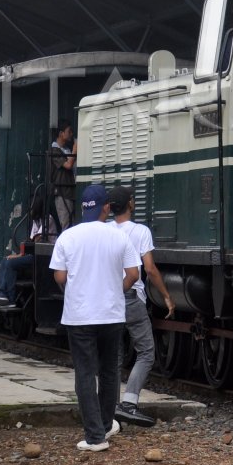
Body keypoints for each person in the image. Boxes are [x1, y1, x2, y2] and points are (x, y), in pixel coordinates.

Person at [50, 184, 141, 451]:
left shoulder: (68, 236)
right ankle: (105, 424)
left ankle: (95, 437)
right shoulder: (119, 236)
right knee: (110, 371)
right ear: (105, 208)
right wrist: (116, 289)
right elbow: (133, 275)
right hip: (111, 314)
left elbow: (59, 276)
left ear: (83, 208)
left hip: (79, 316)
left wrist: (76, 291)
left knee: (85, 374)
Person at [109, 186, 176, 427]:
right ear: (130, 204)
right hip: (132, 299)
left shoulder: (105, 230)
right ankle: (129, 404)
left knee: (113, 354)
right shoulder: (140, 231)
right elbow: (149, 269)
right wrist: (166, 295)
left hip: (109, 299)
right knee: (146, 352)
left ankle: (110, 405)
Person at [48, 121, 77, 229]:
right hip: (61, 191)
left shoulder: (66, 150)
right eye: (69, 132)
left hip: (69, 190)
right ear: (61, 133)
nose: (71, 134)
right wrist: (75, 150)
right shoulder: (54, 150)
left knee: (72, 222)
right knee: (66, 222)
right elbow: (68, 165)